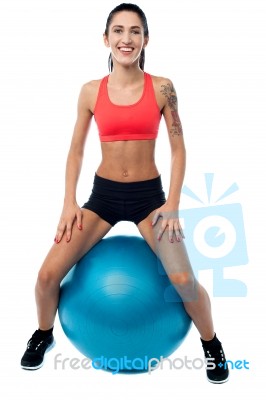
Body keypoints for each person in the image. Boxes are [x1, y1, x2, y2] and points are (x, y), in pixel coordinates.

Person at [20, 3, 229, 384]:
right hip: (103, 198)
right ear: (106, 39)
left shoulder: (163, 87)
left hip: (150, 200)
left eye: (135, 31)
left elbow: (178, 148)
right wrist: (69, 202)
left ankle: (211, 344)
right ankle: (44, 334)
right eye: (118, 30)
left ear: (146, 39)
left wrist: (173, 205)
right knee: (47, 275)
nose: (126, 38)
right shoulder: (89, 91)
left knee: (183, 281)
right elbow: (76, 150)